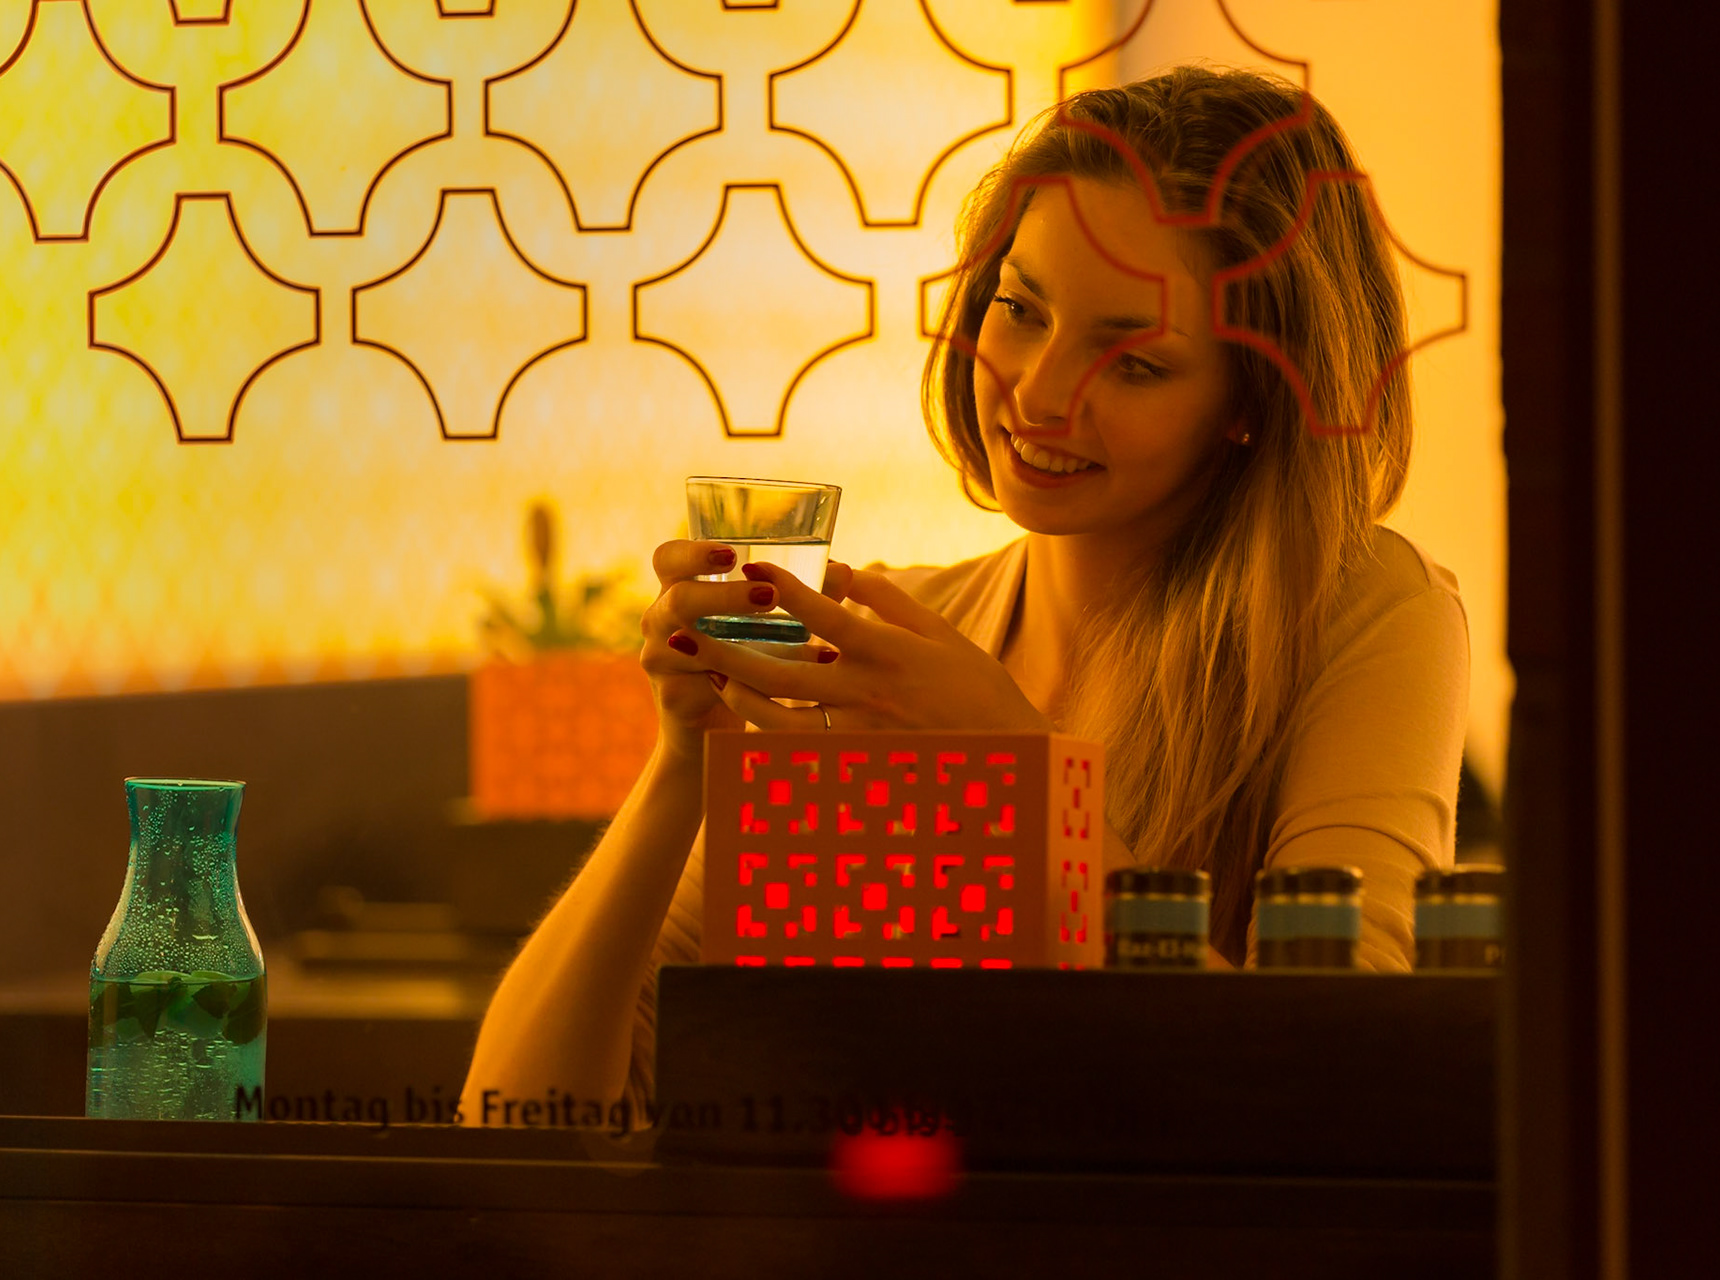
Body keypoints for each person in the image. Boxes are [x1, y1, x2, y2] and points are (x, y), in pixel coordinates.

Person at [462, 66, 1468, 1126]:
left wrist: (1016, 789)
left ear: (1252, 398)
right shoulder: (885, 648)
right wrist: (685, 766)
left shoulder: (1365, 615)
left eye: (1134, 363)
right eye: (1020, 310)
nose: (1039, 392)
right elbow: (521, 1118)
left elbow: (1343, 1096)